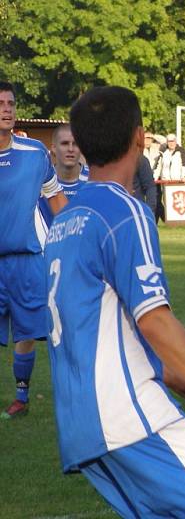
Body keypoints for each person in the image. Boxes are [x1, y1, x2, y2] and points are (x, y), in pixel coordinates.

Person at [45, 86, 185, 517]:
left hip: (81, 424)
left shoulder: (65, 219)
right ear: (140, 137)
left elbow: (104, 324)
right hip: (131, 414)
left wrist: (179, 376)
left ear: (83, 146)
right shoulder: (127, 211)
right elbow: (154, 321)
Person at [0, 82, 68, 419]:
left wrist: (76, 234)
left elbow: (55, 197)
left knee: (27, 331)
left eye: (11, 103)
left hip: (27, 259)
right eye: (1, 103)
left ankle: (21, 397)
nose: (7, 109)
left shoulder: (34, 153)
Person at [38, 123, 89, 226]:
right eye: (65, 143)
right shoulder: (40, 180)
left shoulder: (93, 180)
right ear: (54, 148)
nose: (70, 149)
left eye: (75, 144)